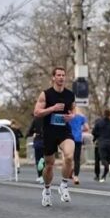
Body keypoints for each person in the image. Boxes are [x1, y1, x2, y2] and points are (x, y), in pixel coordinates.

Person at [34, 66, 76, 207]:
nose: (61, 77)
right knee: (49, 165)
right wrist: (52, 108)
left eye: (63, 75)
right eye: (58, 75)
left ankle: (64, 184)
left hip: (64, 131)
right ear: (53, 77)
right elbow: (37, 112)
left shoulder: (69, 94)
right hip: (49, 132)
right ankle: (46, 190)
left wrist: (72, 116)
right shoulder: (46, 94)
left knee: (69, 156)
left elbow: (73, 109)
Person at [92, 108, 110, 183]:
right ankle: (104, 175)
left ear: (103, 114)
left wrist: (96, 137)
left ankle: (97, 175)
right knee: (108, 160)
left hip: (100, 143)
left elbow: (93, 132)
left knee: (99, 160)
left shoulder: (99, 123)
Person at [68, 108, 89, 185]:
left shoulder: (68, 116)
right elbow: (87, 128)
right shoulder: (82, 117)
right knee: (77, 159)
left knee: (68, 157)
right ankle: (76, 176)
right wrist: (79, 130)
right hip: (78, 139)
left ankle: (70, 170)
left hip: (69, 139)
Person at [26, 116, 45, 184]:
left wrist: (32, 133)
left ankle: (40, 176)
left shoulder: (36, 119)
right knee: (47, 159)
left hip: (38, 140)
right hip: (48, 140)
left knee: (38, 159)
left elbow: (29, 131)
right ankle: (45, 175)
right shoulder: (49, 118)